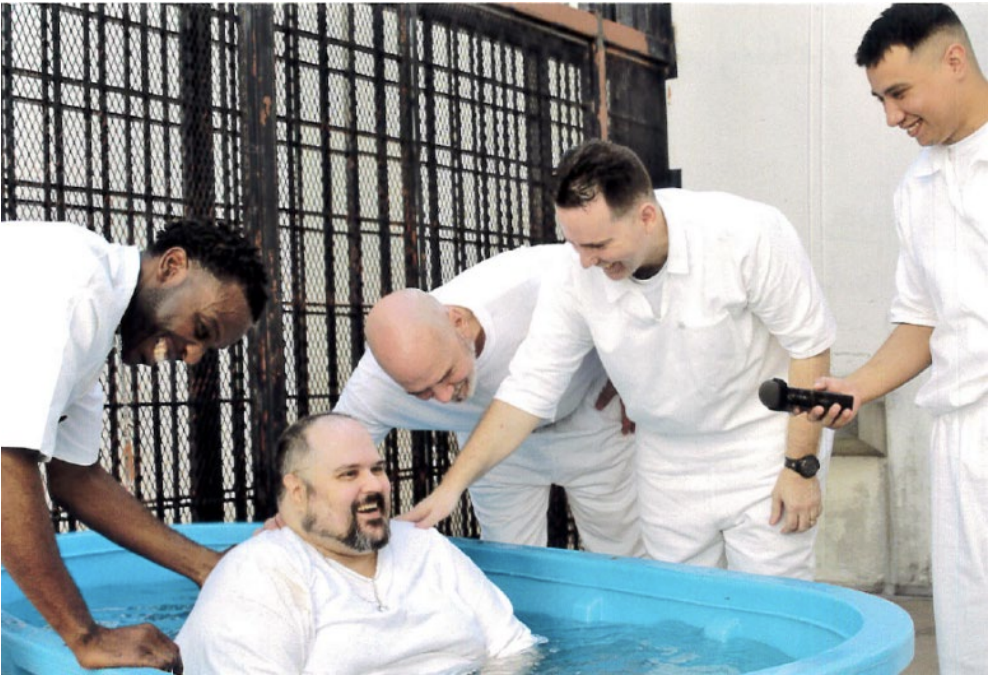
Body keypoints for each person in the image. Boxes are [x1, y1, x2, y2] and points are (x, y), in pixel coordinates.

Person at [403, 139, 838, 580]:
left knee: (772, 598)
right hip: (665, 454)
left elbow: (810, 347)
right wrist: (450, 488)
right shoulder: (573, 273)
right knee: (677, 599)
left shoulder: (747, 233)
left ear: (646, 216)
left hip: (762, 444)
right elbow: (528, 389)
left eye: (598, 244)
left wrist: (800, 467)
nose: (586, 261)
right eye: (575, 245)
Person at [1, 218, 269, 673]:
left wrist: (206, 566)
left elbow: (76, 477)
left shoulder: (92, 324)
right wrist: (86, 637)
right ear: (172, 266)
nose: (193, 355)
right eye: (201, 328)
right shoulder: (77, 288)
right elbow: (6, 464)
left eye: (209, 348)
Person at [807, 5, 988, 672]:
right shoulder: (918, 188)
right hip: (962, 435)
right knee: (972, 624)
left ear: (954, 60)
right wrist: (856, 387)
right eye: (880, 100)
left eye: (900, 93)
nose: (891, 117)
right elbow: (922, 320)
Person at [334, 244, 642, 556]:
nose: (443, 397)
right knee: (510, 560)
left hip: (591, 420)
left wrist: (633, 374)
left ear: (458, 322)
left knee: (622, 550)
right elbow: (327, 457)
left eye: (447, 373)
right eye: (421, 392)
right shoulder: (376, 385)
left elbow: (629, 280)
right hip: (490, 450)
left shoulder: (533, 279)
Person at [176, 413, 538, 675]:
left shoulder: (425, 547)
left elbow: (515, 650)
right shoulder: (258, 575)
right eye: (349, 474)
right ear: (298, 491)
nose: (375, 485)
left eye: (377, 469)